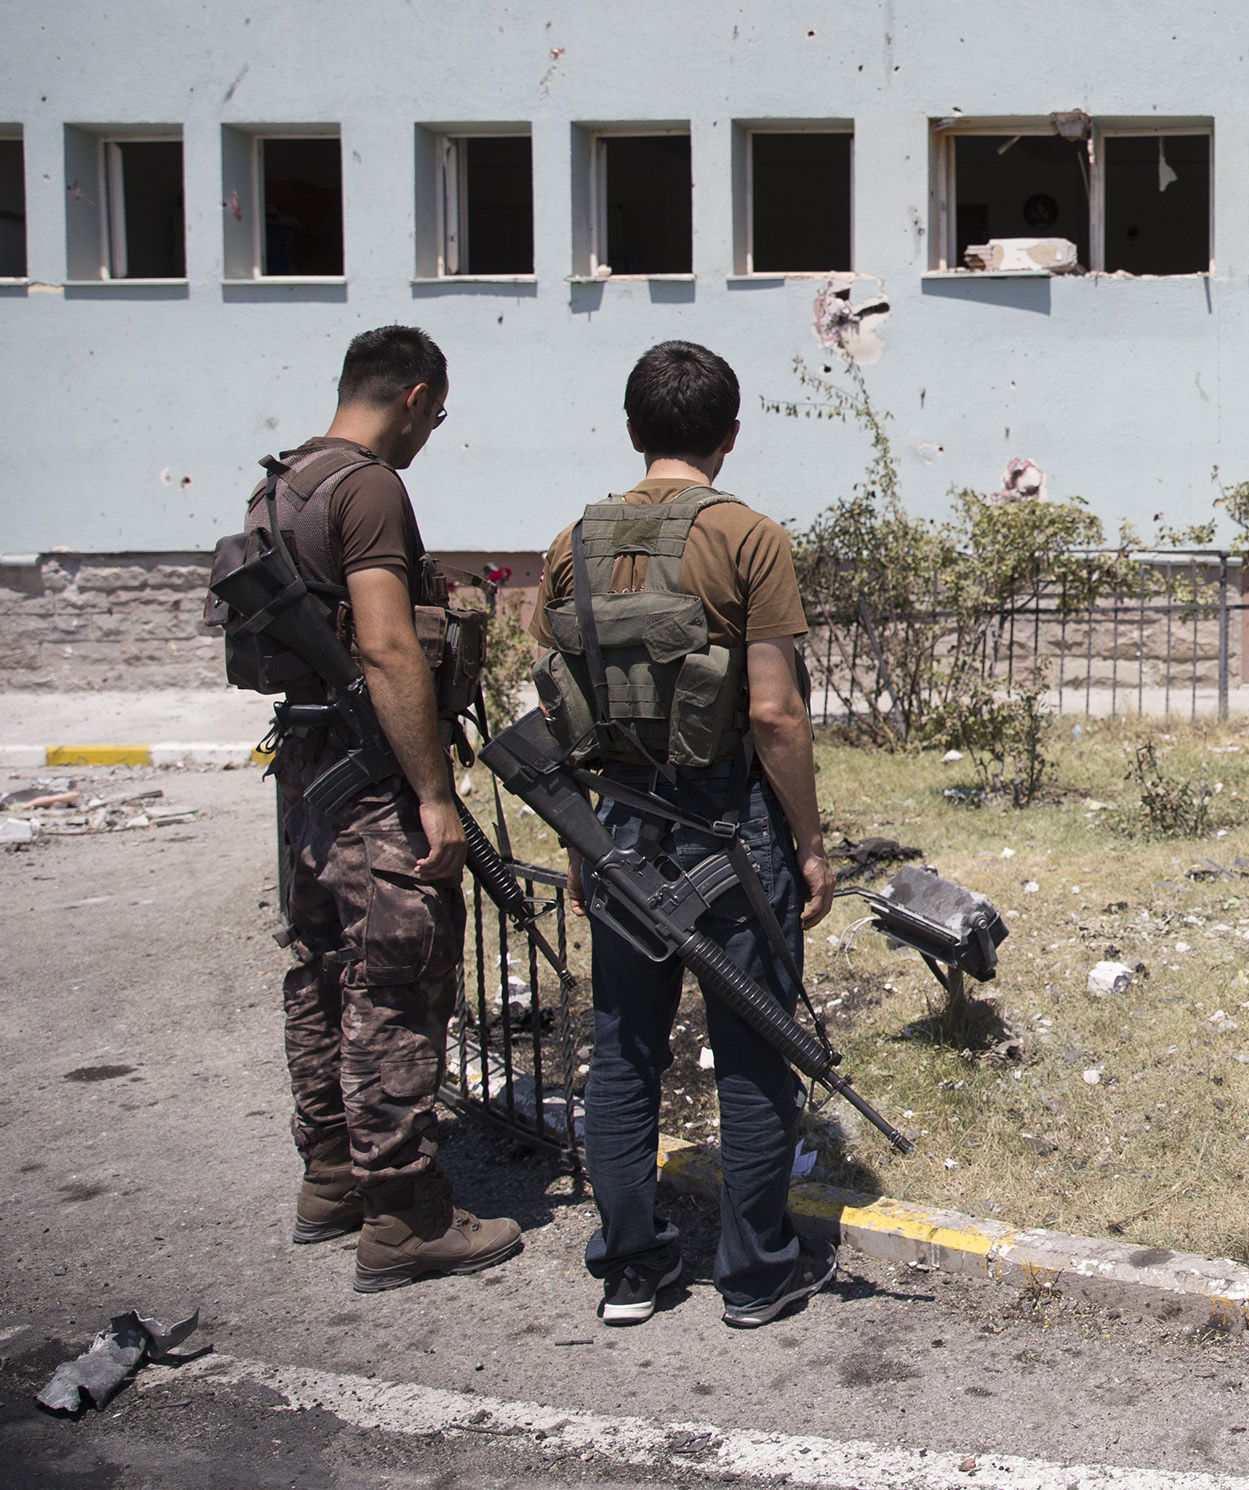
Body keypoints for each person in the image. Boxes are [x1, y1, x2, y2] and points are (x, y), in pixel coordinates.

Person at [527, 340, 836, 1330]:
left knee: (623, 1049)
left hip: (616, 821)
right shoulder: (749, 537)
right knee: (752, 1047)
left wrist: (581, 841)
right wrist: (811, 844)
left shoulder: (569, 541)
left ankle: (629, 1266)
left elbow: (565, 704)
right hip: (728, 823)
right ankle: (753, 1276)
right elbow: (775, 716)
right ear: (729, 434)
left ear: (633, 432)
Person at [265, 326, 526, 1291]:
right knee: (396, 980)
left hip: (307, 778)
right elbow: (385, 646)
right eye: (437, 415)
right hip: (371, 781)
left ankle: (330, 1175)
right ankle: (403, 1216)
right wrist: (432, 795)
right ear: (415, 397)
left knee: (324, 970)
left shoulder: (282, 482)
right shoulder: (367, 484)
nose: (429, 434)